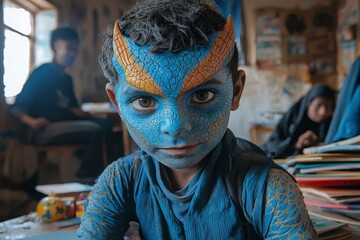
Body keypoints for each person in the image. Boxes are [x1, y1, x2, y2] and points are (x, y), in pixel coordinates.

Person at [78, 0, 316, 239]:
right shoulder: (120, 181)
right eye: (144, 101)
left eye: (202, 95)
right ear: (116, 103)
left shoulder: (266, 187)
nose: (175, 126)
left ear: (235, 91)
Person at [9, 27, 112, 180]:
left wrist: (81, 112)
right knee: (94, 130)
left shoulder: (67, 79)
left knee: (105, 125)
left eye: (76, 50)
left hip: (64, 122)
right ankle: (86, 178)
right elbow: (16, 108)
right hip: (42, 128)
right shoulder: (42, 73)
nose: (73, 54)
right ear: (55, 47)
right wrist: (32, 122)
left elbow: (73, 107)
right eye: (69, 48)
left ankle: (111, 175)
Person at [262, 84, 336, 159]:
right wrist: (295, 144)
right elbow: (271, 147)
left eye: (328, 106)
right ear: (308, 104)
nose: (323, 112)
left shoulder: (332, 123)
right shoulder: (292, 118)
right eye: (318, 105)